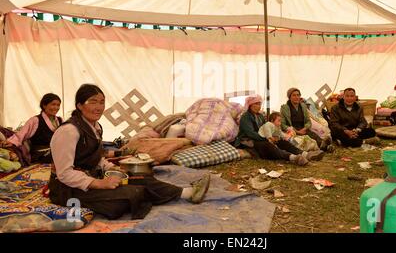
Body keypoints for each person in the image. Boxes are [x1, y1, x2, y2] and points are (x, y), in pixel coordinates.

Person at [48, 84, 210, 220]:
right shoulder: (69, 131)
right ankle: (144, 196)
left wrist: (110, 168)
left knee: (140, 177)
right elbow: (64, 173)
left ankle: (187, 193)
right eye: (93, 102)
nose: (98, 107)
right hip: (68, 189)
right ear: (79, 105)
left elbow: (95, 156)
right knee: (132, 194)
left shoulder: (95, 127)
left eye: (102, 102)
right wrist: (100, 183)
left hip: (90, 177)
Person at [234, 94, 324, 166]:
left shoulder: (260, 116)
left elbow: (267, 128)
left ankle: (304, 154)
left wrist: (274, 136)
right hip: (249, 141)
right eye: (255, 104)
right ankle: (293, 157)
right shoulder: (245, 117)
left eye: (259, 104)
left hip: (261, 138)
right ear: (250, 105)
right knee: (267, 145)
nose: (258, 106)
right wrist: (268, 139)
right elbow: (251, 134)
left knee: (281, 141)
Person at [2, 93, 62, 164]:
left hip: (55, 151)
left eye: (58, 105)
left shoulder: (60, 120)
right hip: (40, 153)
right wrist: (11, 142)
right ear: (44, 105)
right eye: (53, 104)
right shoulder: (35, 120)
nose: (56, 107)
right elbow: (22, 134)